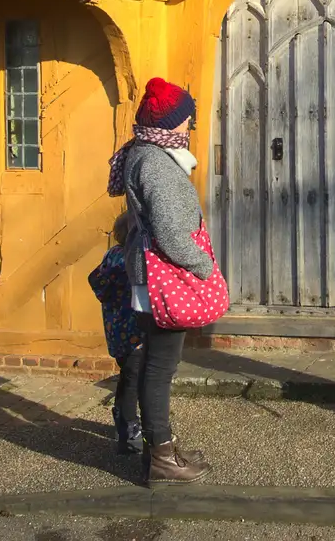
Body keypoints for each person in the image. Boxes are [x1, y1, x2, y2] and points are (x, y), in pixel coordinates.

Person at [106, 77, 212, 486]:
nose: (189, 125)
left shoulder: (142, 153)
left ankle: (160, 450)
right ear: (172, 123)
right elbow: (170, 231)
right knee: (159, 367)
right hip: (163, 275)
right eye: (186, 118)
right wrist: (202, 265)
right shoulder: (155, 163)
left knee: (153, 363)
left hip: (149, 272)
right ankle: (163, 460)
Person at [87, 211, 144, 455]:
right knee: (134, 380)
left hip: (116, 334)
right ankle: (130, 429)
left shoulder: (109, 257)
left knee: (127, 377)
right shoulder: (129, 262)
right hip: (134, 334)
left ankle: (122, 420)